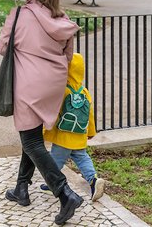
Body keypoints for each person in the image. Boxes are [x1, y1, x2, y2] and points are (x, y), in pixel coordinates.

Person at [0, 0, 84, 225]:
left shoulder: (19, 15)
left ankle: (65, 193)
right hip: (53, 83)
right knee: (33, 134)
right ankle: (21, 188)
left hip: (28, 83)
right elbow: (68, 56)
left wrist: (14, 23)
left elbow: (2, 48)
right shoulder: (61, 17)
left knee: (31, 140)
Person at [41, 53, 106, 202]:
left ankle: (52, 184)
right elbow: (89, 114)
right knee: (82, 158)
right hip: (79, 134)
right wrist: (90, 131)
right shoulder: (84, 92)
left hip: (63, 136)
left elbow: (54, 113)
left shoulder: (63, 91)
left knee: (54, 162)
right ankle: (94, 180)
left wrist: (45, 130)